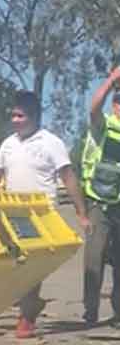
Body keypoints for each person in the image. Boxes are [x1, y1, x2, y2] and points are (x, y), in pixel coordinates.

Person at [0, 90, 89, 339]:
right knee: (14, 268)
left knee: (33, 268)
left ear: (34, 117)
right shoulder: (8, 144)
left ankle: (26, 319)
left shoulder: (51, 143)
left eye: (20, 116)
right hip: (12, 213)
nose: (14, 120)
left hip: (41, 215)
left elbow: (68, 178)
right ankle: (31, 305)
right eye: (13, 115)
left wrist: (81, 212)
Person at [82, 67, 120, 327]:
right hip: (99, 202)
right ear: (116, 105)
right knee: (94, 260)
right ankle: (90, 311)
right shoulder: (104, 125)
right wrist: (111, 79)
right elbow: (94, 108)